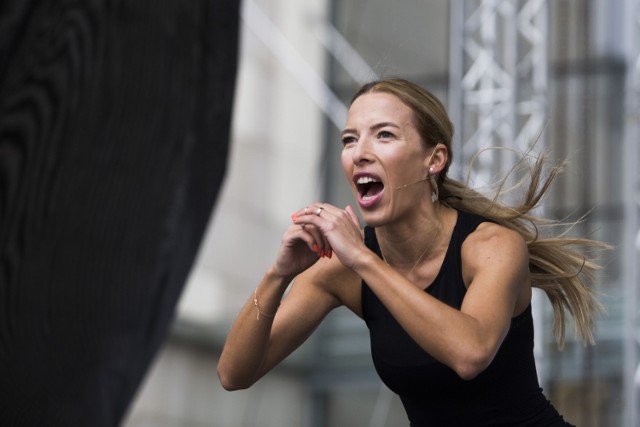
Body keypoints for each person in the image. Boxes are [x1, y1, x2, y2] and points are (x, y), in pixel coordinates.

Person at [217, 78, 605, 426]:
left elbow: (470, 354)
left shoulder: (491, 247)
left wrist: (364, 261)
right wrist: (277, 274)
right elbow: (234, 374)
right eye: (350, 140)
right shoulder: (344, 268)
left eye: (384, 135)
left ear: (433, 160)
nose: (360, 153)